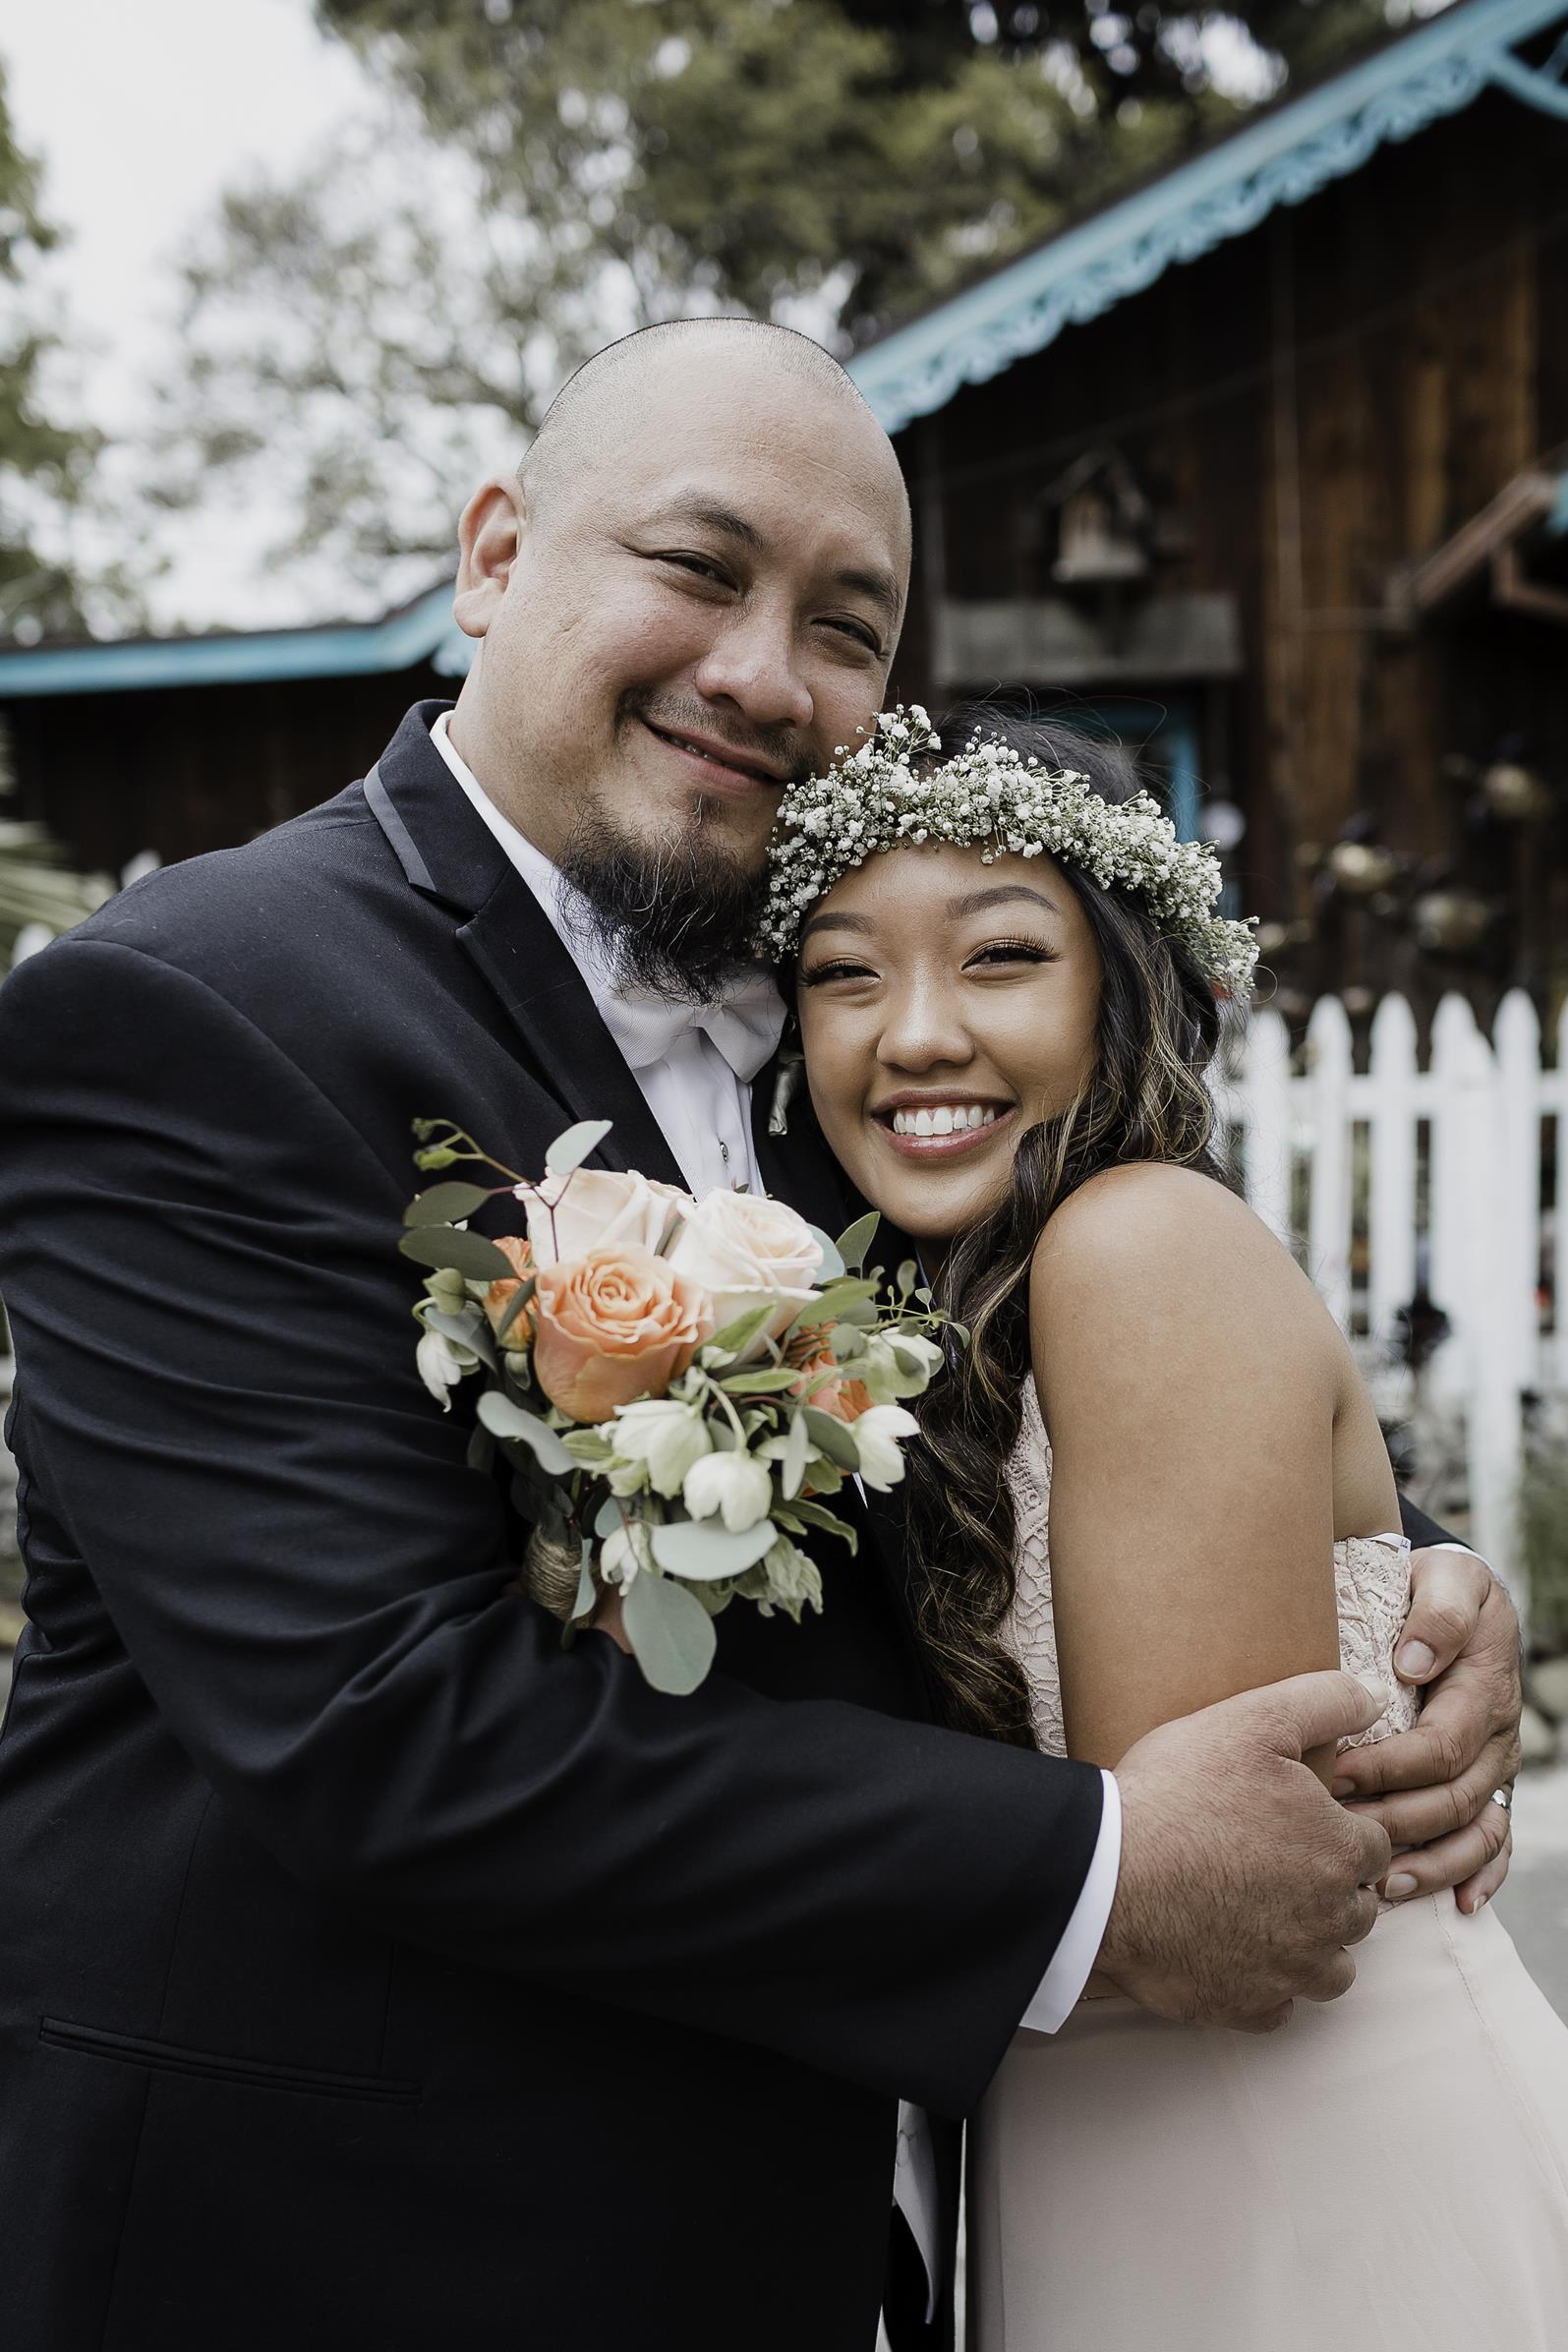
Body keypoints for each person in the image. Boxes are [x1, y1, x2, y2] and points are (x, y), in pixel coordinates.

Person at [0, 323, 1518, 2352]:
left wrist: (1401, 1596)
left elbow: (1068, 1413)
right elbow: (381, 1715)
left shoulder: (852, 1050)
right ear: (494, 555)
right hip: (347, 2252)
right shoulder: (202, 1006)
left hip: (815, 2251)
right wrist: (1094, 1872)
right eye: (699, 569)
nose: (764, 672)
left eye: (846, 627)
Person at [778, 702, 1565, 2350]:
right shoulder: (947, 1317)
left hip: (1296, 2156)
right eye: (845, 974)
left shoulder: (1135, 1245)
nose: (913, 1035)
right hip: (1107, 2148)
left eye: (1001, 957)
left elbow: (1201, 1878)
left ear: (1121, 987)